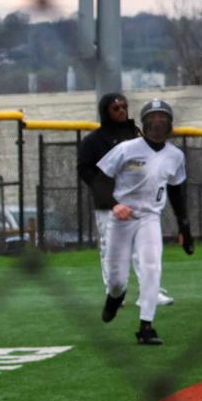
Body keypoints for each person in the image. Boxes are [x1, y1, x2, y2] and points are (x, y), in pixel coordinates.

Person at [96, 98, 193, 346]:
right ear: (144, 123)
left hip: (150, 217)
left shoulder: (175, 156)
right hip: (122, 217)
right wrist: (114, 204)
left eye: (163, 119)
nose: (158, 124)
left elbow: (176, 192)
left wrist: (184, 227)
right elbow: (101, 179)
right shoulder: (127, 149)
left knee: (152, 268)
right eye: (153, 119)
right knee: (117, 280)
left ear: (170, 124)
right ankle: (115, 297)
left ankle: (146, 326)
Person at [77, 92, 173, 308]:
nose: (121, 111)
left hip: (137, 201)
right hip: (109, 204)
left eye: (124, 107)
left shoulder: (135, 135)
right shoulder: (94, 141)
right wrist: (103, 190)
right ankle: (114, 293)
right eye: (116, 108)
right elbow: (85, 169)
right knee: (111, 249)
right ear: (105, 112)